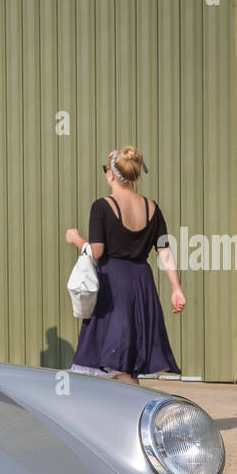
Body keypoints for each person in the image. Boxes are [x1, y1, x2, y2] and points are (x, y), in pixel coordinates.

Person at [65, 147, 184, 383]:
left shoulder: (101, 206)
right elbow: (164, 251)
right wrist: (176, 287)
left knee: (115, 360)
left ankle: (137, 410)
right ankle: (126, 413)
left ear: (110, 174)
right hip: (142, 283)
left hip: (113, 285)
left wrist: (76, 239)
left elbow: (96, 251)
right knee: (126, 360)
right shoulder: (152, 208)